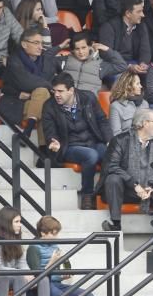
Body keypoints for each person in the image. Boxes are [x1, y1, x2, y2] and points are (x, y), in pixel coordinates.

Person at [42, 73, 111, 209]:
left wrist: (109, 140)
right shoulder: (49, 106)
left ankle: (103, 190)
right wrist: (53, 141)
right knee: (91, 155)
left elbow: (102, 120)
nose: (56, 94)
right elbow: (49, 131)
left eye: (60, 91)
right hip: (69, 146)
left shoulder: (88, 97)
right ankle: (87, 195)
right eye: (54, 91)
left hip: (92, 141)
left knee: (111, 153)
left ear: (71, 90)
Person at [0, 207, 62, 296]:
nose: (20, 225)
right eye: (17, 222)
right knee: (20, 275)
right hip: (1, 277)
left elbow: (22, 262)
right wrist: (22, 273)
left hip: (16, 277)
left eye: (20, 221)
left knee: (43, 278)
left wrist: (29, 274)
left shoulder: (16, 240)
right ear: (7, 222)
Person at [27, 215, 96, 296]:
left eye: (57, 233)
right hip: (44, 284)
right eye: (53, 234)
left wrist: (63, 275)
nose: (56, 237)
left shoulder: (55, 246)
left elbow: (56, 272)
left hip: (56, 283)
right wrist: (52, 262)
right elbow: (38, 276)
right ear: (43, 233)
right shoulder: (33, 248)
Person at [100, 109, 153, 232]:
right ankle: (115, 224)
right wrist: (135, 185)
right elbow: (111, 166)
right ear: (145, 123)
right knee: (113, 179)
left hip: (149, 191)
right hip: (126, 190)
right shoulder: (120, 140)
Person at [0, 26, 65, 131]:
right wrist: (48, 86)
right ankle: (39, 142)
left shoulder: (45, 60)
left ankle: (29, 132)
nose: (40, 47)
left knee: (44, 100)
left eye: (41, 43)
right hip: (17, 103)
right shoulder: (14, 61)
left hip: (38, 102)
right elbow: (25, 82)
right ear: (24, 44)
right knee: (44, 97)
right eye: (36, 43)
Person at [99, 0, 150, 76]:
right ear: (128, 14)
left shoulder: (141, 26)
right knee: (121, 80)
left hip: (134, 62)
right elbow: (105, 53)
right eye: (139, 12)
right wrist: (128, 66)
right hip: (114, 64)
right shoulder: (109, 26)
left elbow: (145, 49)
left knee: (151, 74)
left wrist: (143, 63)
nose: (143, 15)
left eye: (142, 11)